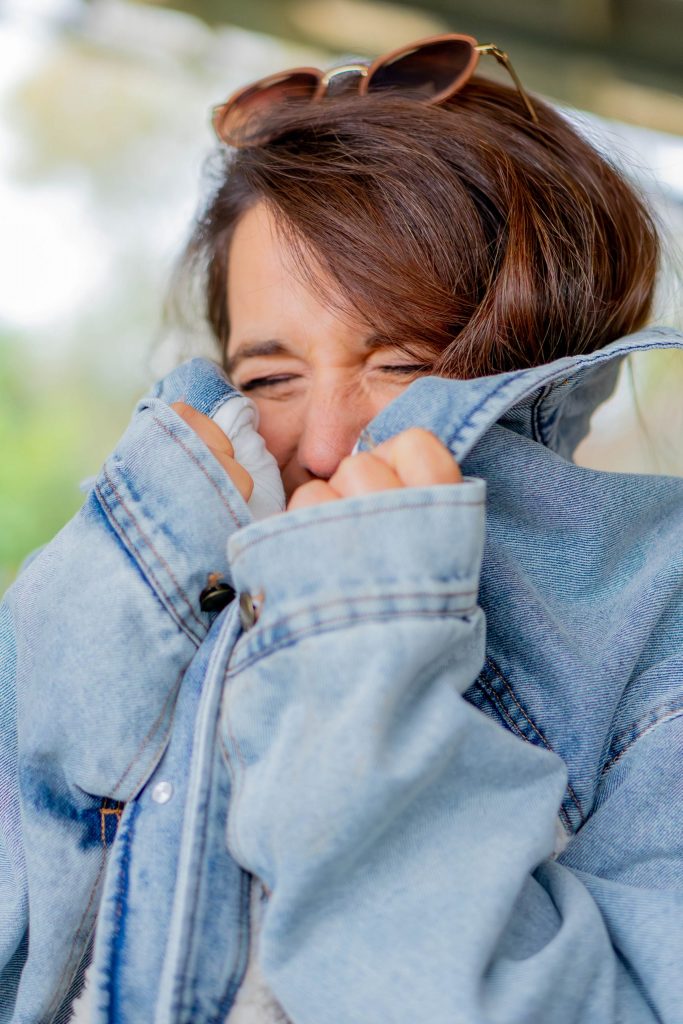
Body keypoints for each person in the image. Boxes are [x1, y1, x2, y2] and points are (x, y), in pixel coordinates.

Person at [1, 33, 682, 1024]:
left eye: (403, 365)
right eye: (267, 379)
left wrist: (365, 654)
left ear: (547, 358)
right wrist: (89, 622)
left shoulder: (654, 618)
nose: (322, 440)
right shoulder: (139, 579)